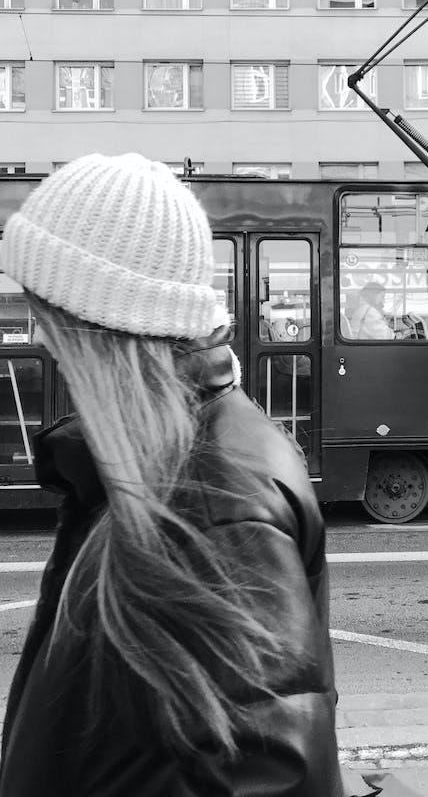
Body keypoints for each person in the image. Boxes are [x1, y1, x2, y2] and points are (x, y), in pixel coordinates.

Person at [0, 153, 374, 797]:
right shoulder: (156, 466)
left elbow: (260, 777)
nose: (39, 333)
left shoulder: (210, 510)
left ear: (96, 323)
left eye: (45, 312)